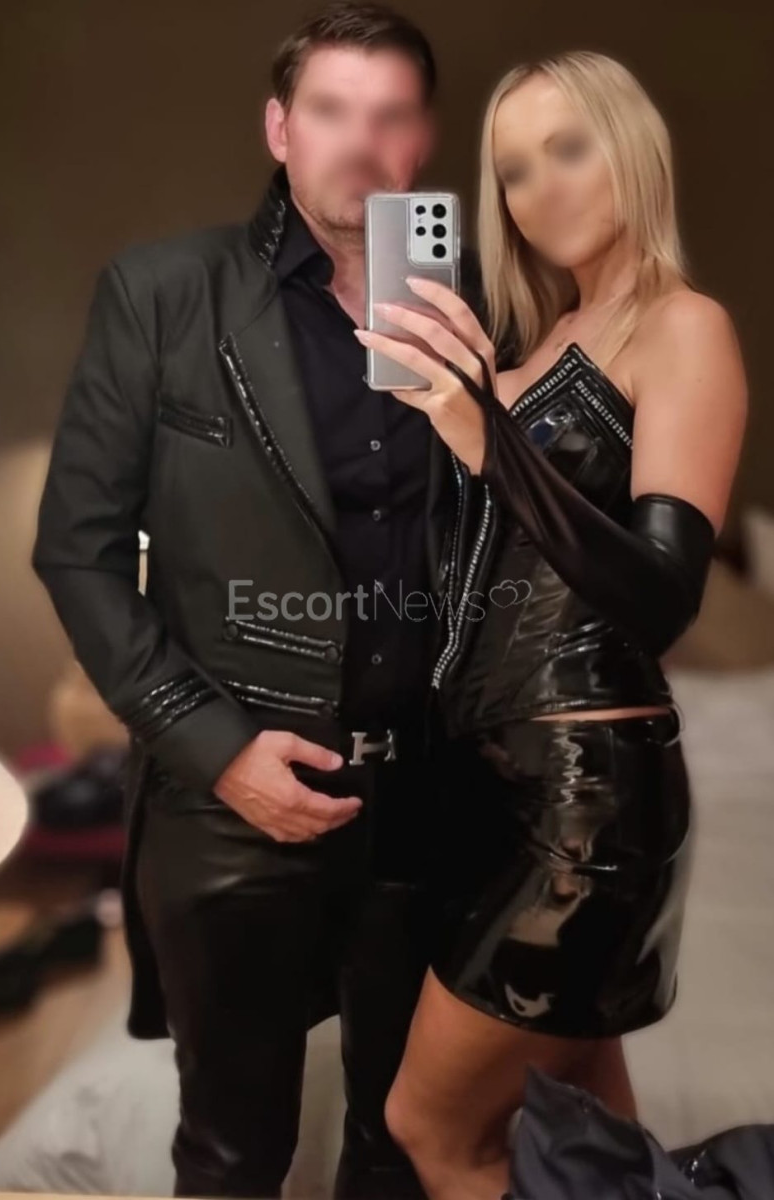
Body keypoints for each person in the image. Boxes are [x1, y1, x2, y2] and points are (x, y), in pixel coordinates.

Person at [29, 3, 488, 1197]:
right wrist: (216, 750)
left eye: (390, 116)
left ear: (424, 138)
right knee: (233, 1158)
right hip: (233, 802)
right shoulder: (164, 294)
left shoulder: (482, 306)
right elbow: (77, 551)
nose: (360, 143)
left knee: (406, 1152)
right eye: (331, 111)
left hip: (432, 799)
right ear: (281, 128)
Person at [354, 49, 748, 1200]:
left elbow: (663, 594)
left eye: (568, 149)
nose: (539, 190)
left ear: (631, 147)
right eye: (515, 170)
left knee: (434, 1129)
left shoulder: (683, 327)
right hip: (485, 790)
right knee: (588, 1149)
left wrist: (489, 440)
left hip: (588, 803)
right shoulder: (523, 355)